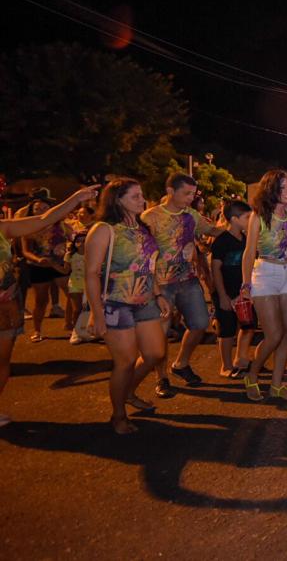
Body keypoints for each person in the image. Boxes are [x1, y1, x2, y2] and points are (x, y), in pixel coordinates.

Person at [0, 185, 99, 427]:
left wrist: (75, 198)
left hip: (6, 306)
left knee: (2, 362)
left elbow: (45, 218)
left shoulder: (4, 228)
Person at [85, 179, 172, 434]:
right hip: (116, 303)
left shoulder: (143, 228)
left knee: (155, 353)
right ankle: (118, 415)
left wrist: (157, 293)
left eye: (141, 195)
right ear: (117, 199)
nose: (142, 200)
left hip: (145, 301)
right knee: (125, 361)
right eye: (135, 196)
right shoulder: (104, 230)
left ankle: (128, 392)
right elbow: (91, 273)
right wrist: (97, 313)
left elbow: (149, 266)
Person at [141, 174, 222, 397]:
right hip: (160, 284)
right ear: (170, 191)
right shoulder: (150, 217)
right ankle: (161, 378)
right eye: (186, 193)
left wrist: (240, 224)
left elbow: (211, 230)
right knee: (161, 334)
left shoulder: (191, 215)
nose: (190, 198)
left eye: (193, 194)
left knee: (200, 324)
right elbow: (141, 254)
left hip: (188, 280)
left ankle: (181, 364)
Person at [240, 170, 287, 402]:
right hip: (265, 273)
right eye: (283, 187)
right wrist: (246, 284)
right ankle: (252, 374)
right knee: (274, 334)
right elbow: (249, 252)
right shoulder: (258, 216)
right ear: (271, 190)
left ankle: (277, 384)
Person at [20, 191, 73, 342]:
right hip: (39, 267)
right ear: (32, 211)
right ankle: (37, 330)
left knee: (73, 295)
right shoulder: (28, 227)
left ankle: (70, 324)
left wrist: (70, 249)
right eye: (37, 209)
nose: (41, 211)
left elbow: (73, 240)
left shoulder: (61, 224)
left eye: (45, 208)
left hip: (60, 265)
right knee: (41, 301)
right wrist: (38, 259)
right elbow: (25, 251)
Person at [210, 200, 254, 378]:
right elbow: (215, 269)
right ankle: (226, 366)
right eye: (247, 217)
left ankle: (240, 359)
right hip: (226, 292)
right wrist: (222, 296)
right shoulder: (221, 241)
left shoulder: (247, 239)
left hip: (243, 291)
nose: (251, 220)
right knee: (227, 331)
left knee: (248, 325)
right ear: (234, 219)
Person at [64, 231, 88, 344]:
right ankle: (76, 331)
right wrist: (51, 264)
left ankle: (86, 329)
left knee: (88, 308)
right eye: (78, 241)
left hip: (89, 284)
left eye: (84, 241)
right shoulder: (70, 255)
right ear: (74, 243)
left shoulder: (94, 253)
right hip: (74, 284)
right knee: (77, 309)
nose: (81, 243)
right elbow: (65, 270)